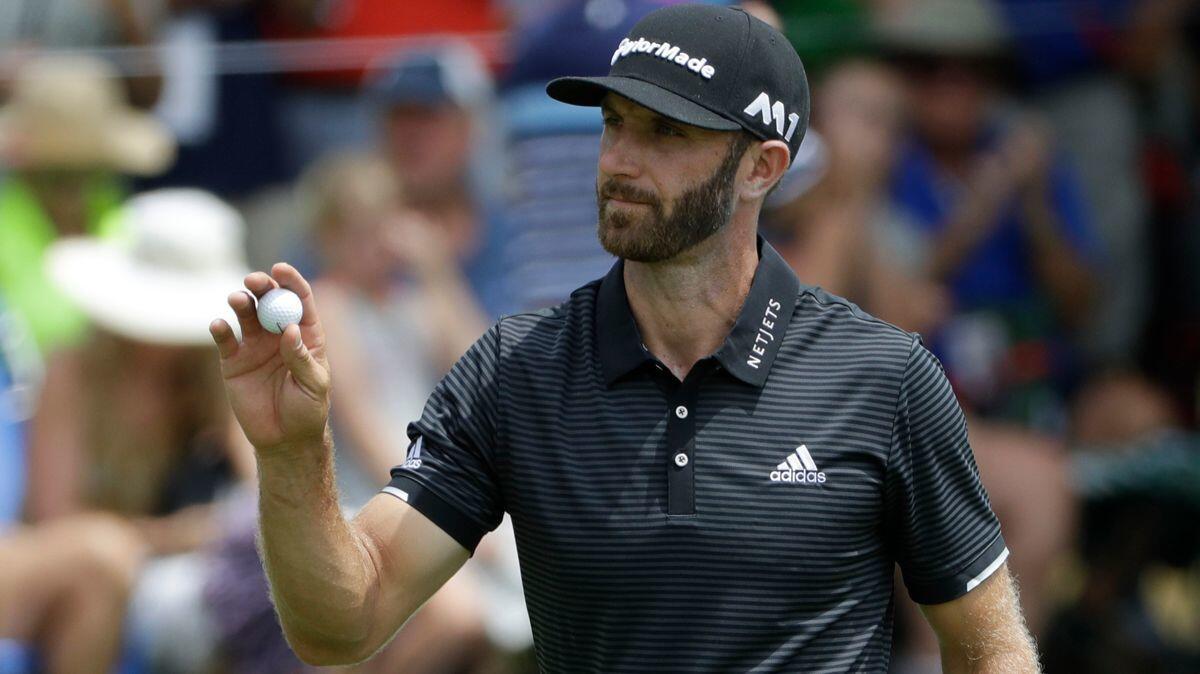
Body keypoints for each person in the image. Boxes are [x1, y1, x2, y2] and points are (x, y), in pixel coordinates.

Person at [210, 5, 1040, 671]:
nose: (619, 160)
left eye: (667, 133)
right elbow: (342, 626)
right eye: (616, 123)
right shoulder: (515, 370)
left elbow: (989, 647)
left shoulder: (884, 377)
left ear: (763, 167)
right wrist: (292, 455)